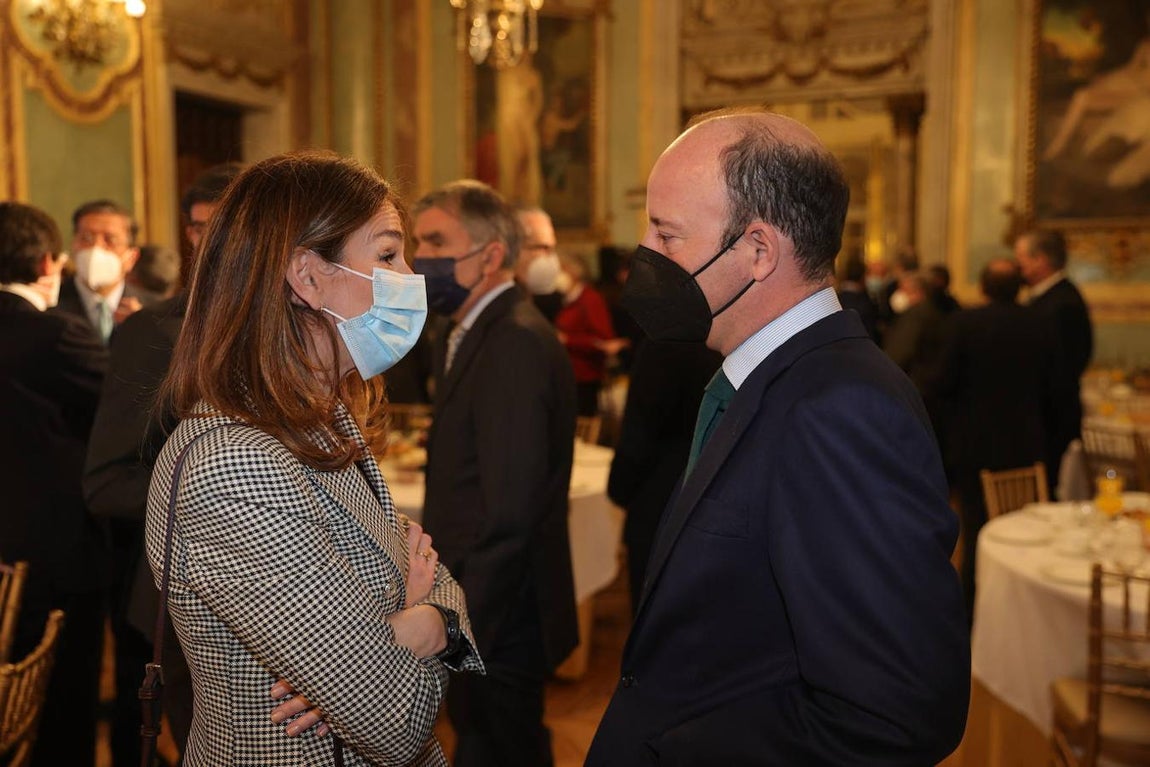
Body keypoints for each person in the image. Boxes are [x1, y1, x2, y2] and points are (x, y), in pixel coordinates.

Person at [586, 109, 969, 765]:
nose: (643, 256)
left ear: (758, 252)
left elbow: (896, 711)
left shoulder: (841, 407)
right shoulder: (767, 378)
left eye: (666, 234)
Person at [145, 151, 482, 766]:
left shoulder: (322, 419)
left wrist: (429, 618)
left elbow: (438, 576)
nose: (410, 274)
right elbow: (394, 723)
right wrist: (414, 623)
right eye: (386, 255)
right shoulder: (235, 463)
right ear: (306, 276)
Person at [412, 180, 577, 767]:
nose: (419, 257)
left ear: (489, 255)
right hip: (485, 600)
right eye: (416, 241)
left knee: (503, 746)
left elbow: (509, 508)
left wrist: (456, 620)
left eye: (435, 241)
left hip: (500, 611)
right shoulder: (464, 330)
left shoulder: (513, 340)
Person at [83, 162, 242, 766]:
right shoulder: (156, 331)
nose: (218, 242)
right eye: (205, 227)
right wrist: (222, 493)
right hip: (185, 608)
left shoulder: (294, 321)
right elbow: (106, 482)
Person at [0, 201, 109, 767]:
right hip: (52, 558)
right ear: (48, 262)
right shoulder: (53, 336)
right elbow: (127, 412)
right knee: (62, 715)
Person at [931, 259, 1055, 619]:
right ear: (1019, 288)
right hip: (1027, 446)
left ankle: (975, 615)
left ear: (983, 288)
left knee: (977, 532)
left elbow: (941, 383)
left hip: (975, 447)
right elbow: (1055, 389)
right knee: (1028, 534)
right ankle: (1023, 613)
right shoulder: (1041, 325)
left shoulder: (964, 325)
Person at [607, 338, 721, 614]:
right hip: (712, 494)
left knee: (651, 616)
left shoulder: (665, 343)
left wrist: (619, 488)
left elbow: (639, 431)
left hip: (659, 500)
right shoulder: (723, 334)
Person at [1014, 228, 1094, 490]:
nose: (1018, 265)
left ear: (1041, 260)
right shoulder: (1049, 299)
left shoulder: (1062, 303)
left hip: (1051, 419)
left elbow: (1063, 366)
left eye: (1022, 257)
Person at [55, 199, 143, 342]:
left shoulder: (153, 311)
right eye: (86, 238)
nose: (95, 247)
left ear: (131, 258)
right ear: (73, 246)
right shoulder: (50, 306)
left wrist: (143, 326)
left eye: (110, 240)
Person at [555, 252, 622, 417]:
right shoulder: (567, 299)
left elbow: (603, 341)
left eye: (561, 269)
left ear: (573, 272)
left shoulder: (590, 300)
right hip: (570, 375)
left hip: (586, 376)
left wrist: (567, 340)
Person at [514, 205, 563, 322]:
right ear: (514, 248)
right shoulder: (500, 308)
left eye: (553, 248)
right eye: (544, 247)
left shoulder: (548, 303)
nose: (550, 257)